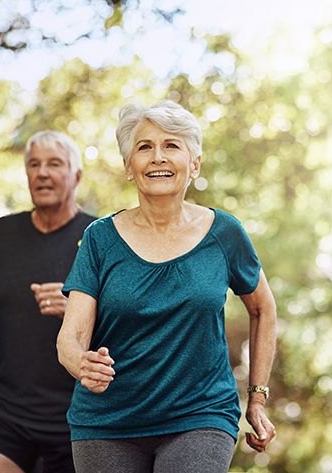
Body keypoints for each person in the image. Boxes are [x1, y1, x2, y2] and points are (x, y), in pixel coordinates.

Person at [56, 100, 277, 472]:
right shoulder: (99, 239)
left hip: (199, 415)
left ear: (194, 163)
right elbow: (69, 340)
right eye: (144, 147)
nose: (158, 157)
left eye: (171, 145)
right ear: (129, 167)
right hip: (107, 422)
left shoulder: (225, 234)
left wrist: (256, 397)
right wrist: (82, 363)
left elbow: (262, 308)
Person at [0, 130, 96, 473]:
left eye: (54, 164)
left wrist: (78, 310)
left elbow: (129, 320)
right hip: (9, 412)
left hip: (84, 415)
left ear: (76, 176)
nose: (42, 172)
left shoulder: (100, 237)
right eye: (34, 164)